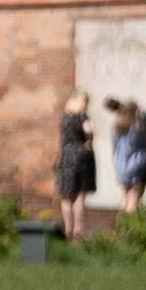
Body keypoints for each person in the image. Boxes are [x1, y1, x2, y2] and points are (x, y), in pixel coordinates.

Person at [54, 88, 97, 240]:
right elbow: (89, 130)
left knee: (66, 195)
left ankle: (68, 228)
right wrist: (89, 141)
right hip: (81, 154)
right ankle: (78, 228)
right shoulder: (82, 115)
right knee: (80, 193)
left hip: (66, 155)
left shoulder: (65, 118)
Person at [112, 99, 146, 212]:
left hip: (121, 166)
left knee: (125, 195)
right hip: (137, 165)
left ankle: (120, 223)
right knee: (134, 195)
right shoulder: (138, 127)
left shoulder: (117, 128)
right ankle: (130, 225)